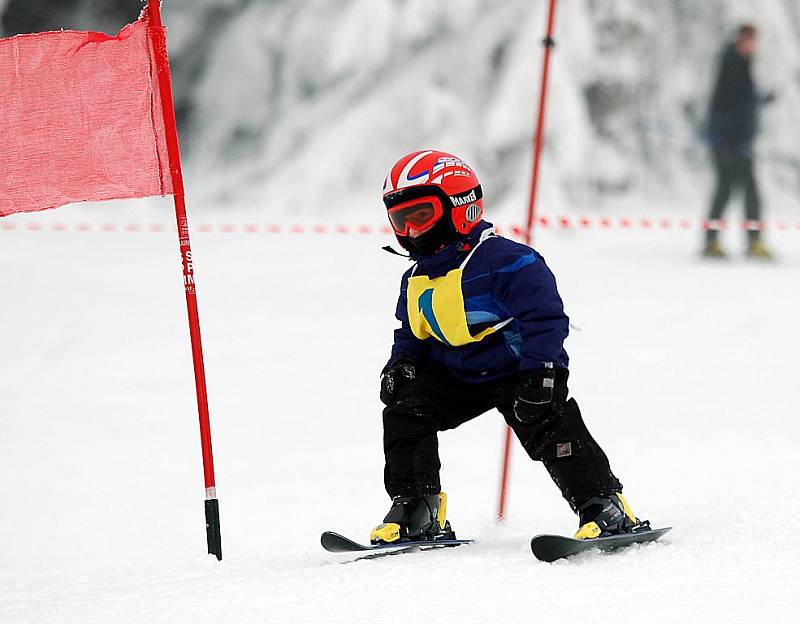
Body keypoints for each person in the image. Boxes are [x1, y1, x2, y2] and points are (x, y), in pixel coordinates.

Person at [371, 150, 647, 545]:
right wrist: (402, 364)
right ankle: (417, 508)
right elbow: (411, 331)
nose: (411, 232)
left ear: (460, 207)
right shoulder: (415, 277)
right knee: (406, 413)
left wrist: (543, 371)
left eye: (421, 216)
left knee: (550, 427)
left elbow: (546, 318)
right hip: (460, 373)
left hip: (519, 369)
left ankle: (603, 504)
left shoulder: (506, 261)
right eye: (401, 221)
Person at [704, 24, 774, 259]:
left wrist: (760, 100)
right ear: (740, 40)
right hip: (729, 145)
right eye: (749, 40)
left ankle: (740, 241)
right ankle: (716, 242)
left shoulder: (741, 64)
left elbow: (741, 103)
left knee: (743, 192)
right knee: (728, 191)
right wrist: (725, 141)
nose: (753, 45)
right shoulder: (733, 64)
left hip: (739, 144)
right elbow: (721, 106)